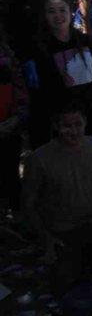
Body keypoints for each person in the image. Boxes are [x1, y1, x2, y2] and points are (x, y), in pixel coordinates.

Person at [21, 105, 92, 293]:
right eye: (67, 126)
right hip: (63, 230)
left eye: (78, 124)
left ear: (85, 123)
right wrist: (46, 238)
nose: (74, 131)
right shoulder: (39, 158)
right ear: (56, 127)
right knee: (66, 286)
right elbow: (29, 204)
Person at [31, 0, 92, 147]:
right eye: (52, 11)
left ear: (71, 12)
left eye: (62, 10)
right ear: (45, 16)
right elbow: (41, 95)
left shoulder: (91, 43)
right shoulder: (39, 50)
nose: (58, 15)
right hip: (64, 126)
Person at [0, 41, 27, 212]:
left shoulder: (6, 51)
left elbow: (20, 84)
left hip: (10, 126)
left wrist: (17, 118)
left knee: (11, 176)